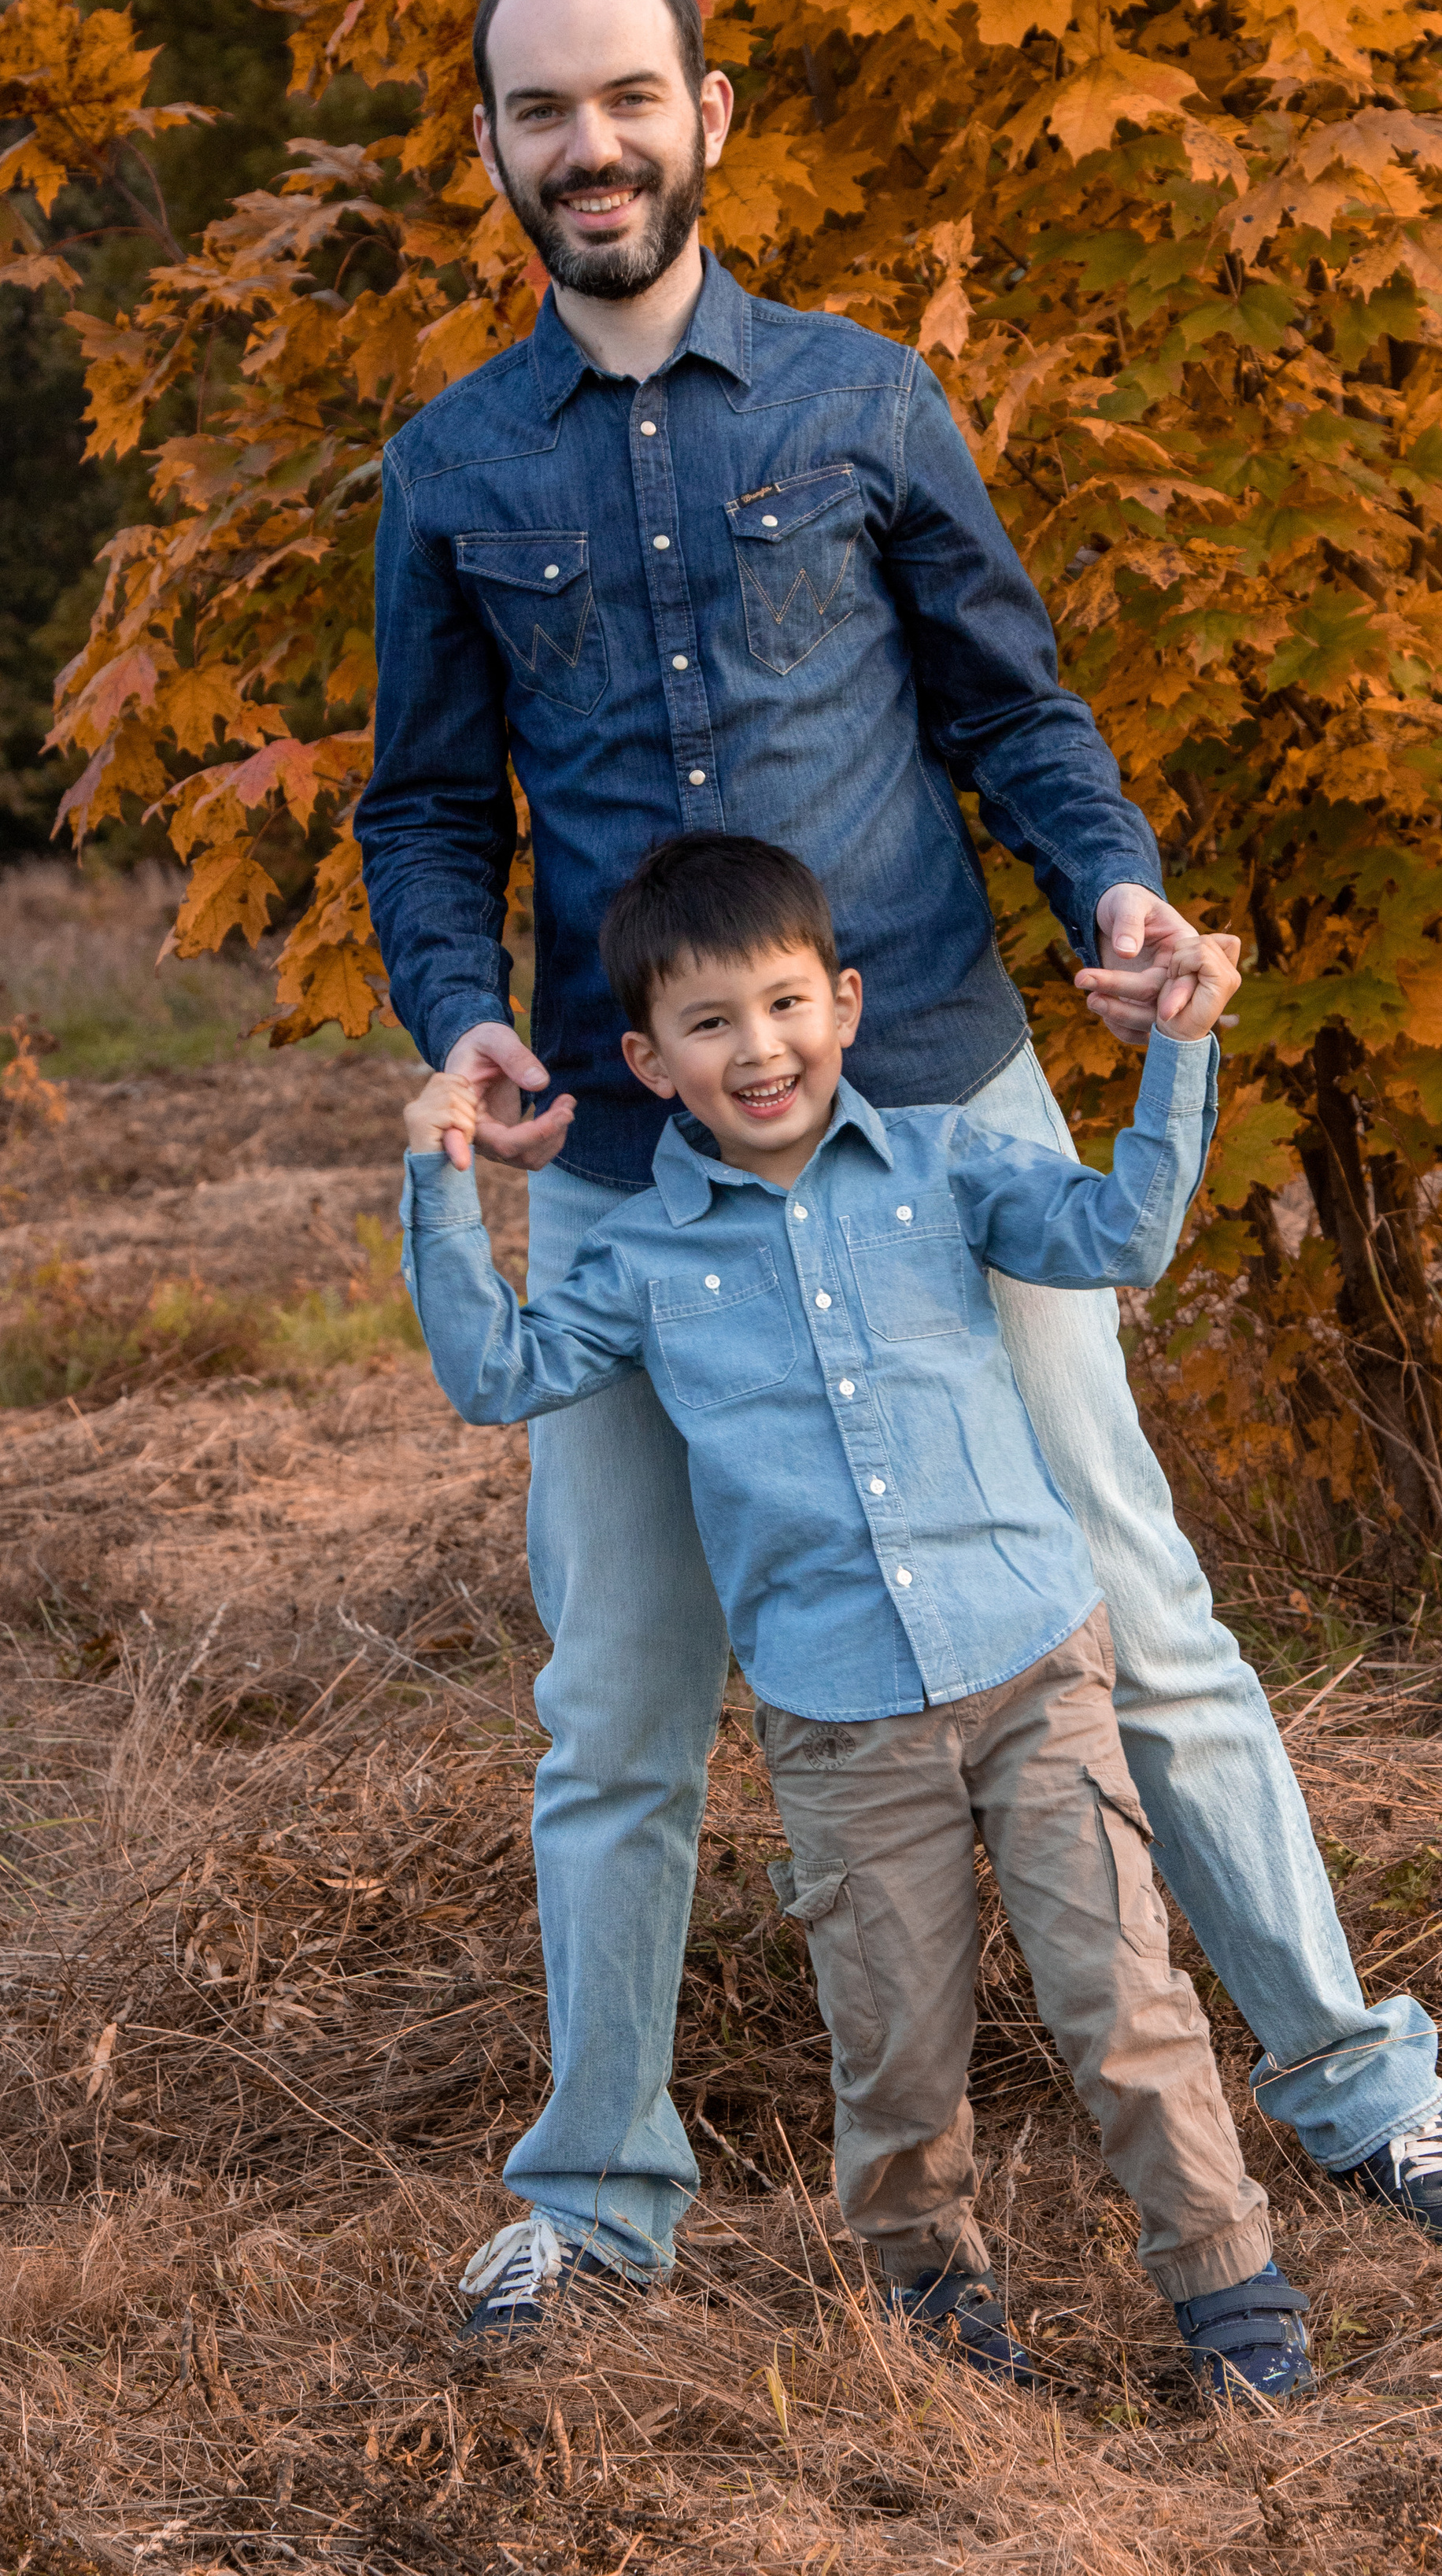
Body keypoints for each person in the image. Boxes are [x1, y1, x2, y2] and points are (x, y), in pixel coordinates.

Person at [354, 0, 1442, 2347]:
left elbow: (1015, 705)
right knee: (622, 1703)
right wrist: (467, 1027)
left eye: (628, 98)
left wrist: (1113, 881)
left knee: (1143, 1615)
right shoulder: (454, 466)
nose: (591, 146)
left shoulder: (870, 404)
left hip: (934, 1112)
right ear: (494, 151)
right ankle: (594, 2193)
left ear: (709, 110)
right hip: (629, 1157)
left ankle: (1345, 2079)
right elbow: (417, 810)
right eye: (540, 113)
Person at [405, 833, 1319, 2401]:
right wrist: (439, 1185)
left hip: (1034, 1667)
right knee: (894, 2054)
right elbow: (495, 1378)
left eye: (779, 1006)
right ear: (648, 1059)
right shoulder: (639, 1259)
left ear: (839, 1001)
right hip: (838, 1720)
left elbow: (1122, 1240)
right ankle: (934, 2307)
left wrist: (1177, 1064)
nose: (754, 1049)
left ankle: (1226, 2285)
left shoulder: (944, 1169)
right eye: (708, 1024)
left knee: (1123, 2005)